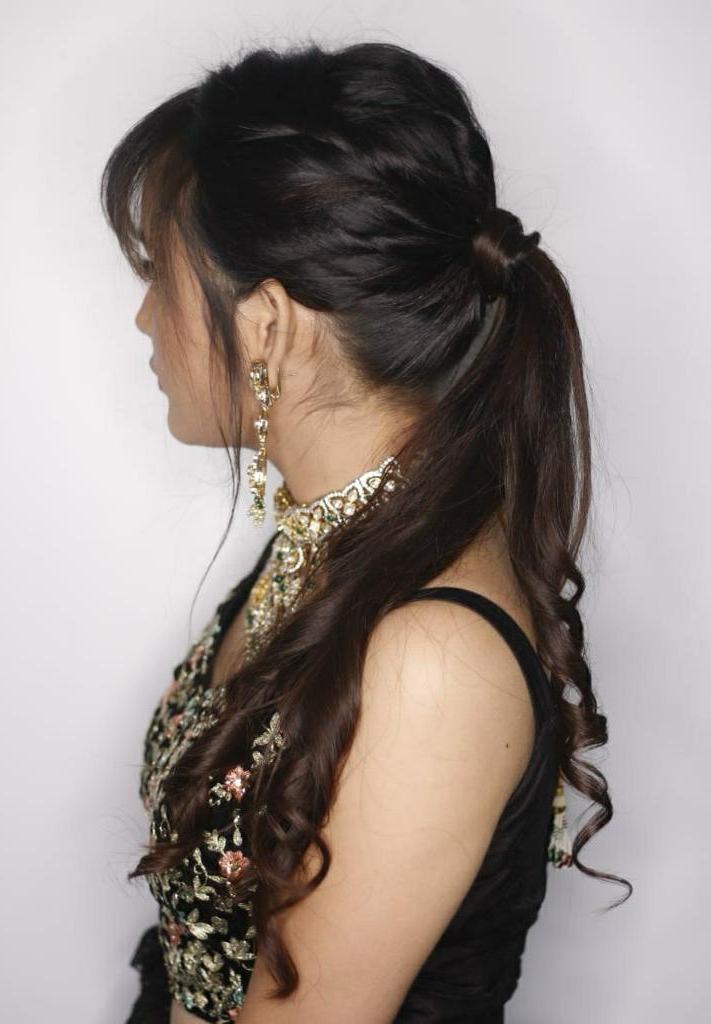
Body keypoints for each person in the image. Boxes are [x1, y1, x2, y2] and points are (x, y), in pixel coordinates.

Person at [101, 39, 632, 1024]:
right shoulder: (336, 540)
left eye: (159, 276)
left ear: (266, 323)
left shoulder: (431, 660)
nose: (142, 319)